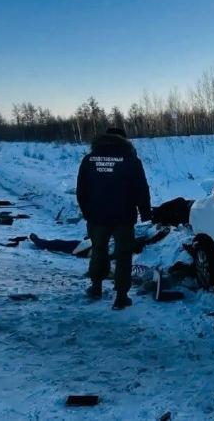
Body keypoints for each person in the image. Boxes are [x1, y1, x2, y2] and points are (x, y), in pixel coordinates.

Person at [76, 127, 152, 310]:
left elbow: (81, 190)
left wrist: (87, 212)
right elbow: (141, 189)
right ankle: (121, 297)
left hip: (97, 217)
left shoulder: (89, 160)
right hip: (123, 217)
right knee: (124, 255)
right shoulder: (131, 161)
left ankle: (96, 287)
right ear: (124, 140)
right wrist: (145, 212)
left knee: (98, 250)